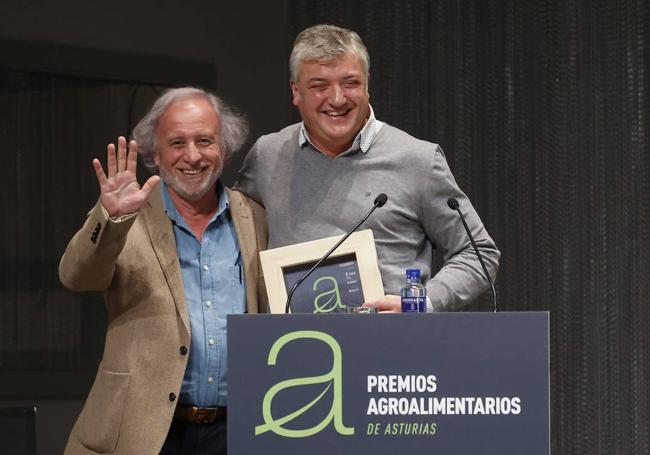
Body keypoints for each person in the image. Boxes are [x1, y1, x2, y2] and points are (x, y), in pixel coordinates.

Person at [59, 87, 267, 455]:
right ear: (154, 153)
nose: (192, 155)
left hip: (236, 429)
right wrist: (111, 218)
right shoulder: (127, 215)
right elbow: (76, 276)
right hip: (146, 431)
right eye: (177, 143)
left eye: (205, 140)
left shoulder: (254, 217)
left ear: (225, 148)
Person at [235, 24, 499, 312]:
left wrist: (420, 303)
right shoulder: (268, 155)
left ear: (367, 85)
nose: (337, 99)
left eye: (350, 83)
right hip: (295, 348)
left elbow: (479, 253)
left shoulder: (417, 160)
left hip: (393, 348)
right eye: (319, 86)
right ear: (296, 91)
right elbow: (236, 233)